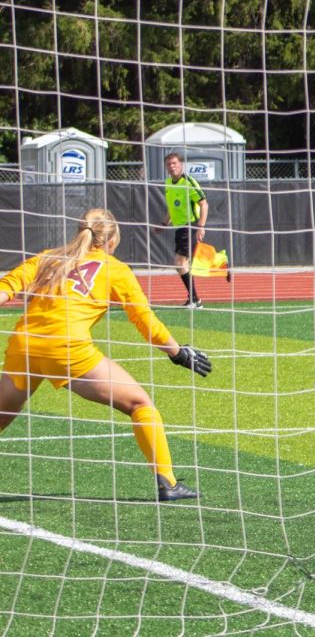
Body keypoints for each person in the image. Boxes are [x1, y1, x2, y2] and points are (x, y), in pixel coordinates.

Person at [0, 209, 212, 501]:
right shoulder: (115, 269)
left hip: (24, 346)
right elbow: (144, 321)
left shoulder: (49, 257)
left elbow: (6, 288)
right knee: (140, 403)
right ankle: (169, 483)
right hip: (67, 349)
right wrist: (178, 353)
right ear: (111, 240)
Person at [156, 152, 208, 308]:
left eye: (174, 163)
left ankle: (195, 299)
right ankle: (194, 299)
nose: (172, 167)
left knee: (180, 262)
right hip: (179, 228)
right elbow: (172, 208)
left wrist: (201, 227)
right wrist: (164, 224)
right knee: (183, 263)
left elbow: (204, 204)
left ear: (181, 165)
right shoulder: (168, 183)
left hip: (190, 226)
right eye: (169, 164)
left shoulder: (189, 182)